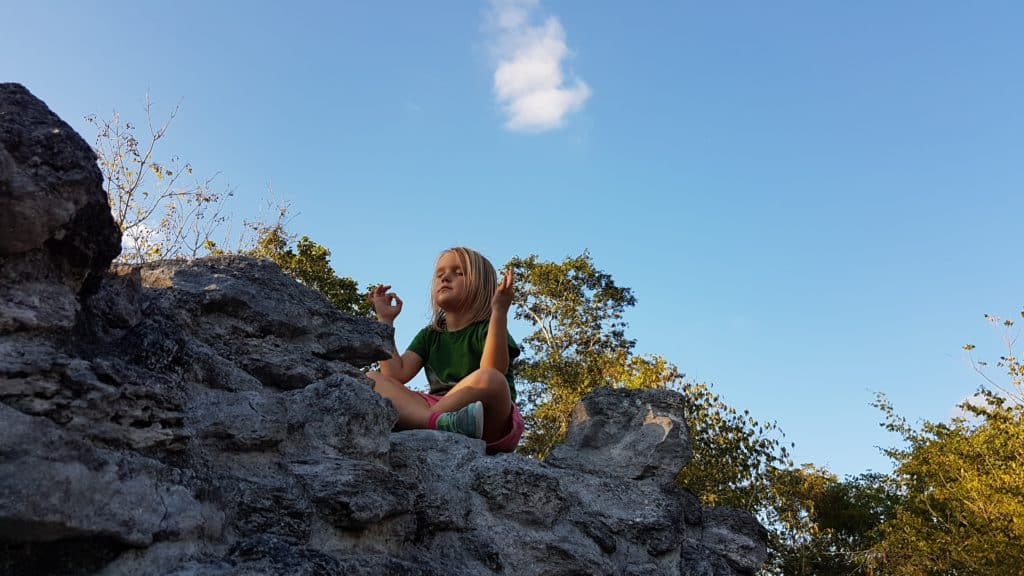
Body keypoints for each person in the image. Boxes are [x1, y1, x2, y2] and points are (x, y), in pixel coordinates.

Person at [366, 247, 524, 454]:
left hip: (489, 418)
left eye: (458, 273)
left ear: (482, 287)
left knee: (490, 379)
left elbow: (493, 369)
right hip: (437, 408)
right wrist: (385, 321)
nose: (445, 278)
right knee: (372, 378)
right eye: (440, 274)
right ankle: (435, 422)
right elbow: (395, 374)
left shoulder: (487, 328)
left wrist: (499, 312)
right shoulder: (431, 335)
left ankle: (425, 420)